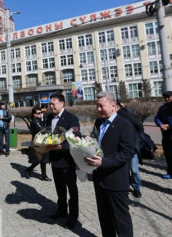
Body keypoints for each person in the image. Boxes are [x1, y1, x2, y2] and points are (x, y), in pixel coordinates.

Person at [85, 92, 135, 237]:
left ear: (113, 106)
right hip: (99, 179)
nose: (98, 109)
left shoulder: (125, 125)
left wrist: (104, 162)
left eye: (101, 106)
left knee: (121, 220)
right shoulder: (99, 122)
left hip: (116, 180)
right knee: (105, 218)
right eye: (97, 106)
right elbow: (95, 144)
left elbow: (127, 153)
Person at [46, 93, 80, 230]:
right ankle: (61, 210)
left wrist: (62, 146)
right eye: (50, 104)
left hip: (67, 160)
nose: (51, 106)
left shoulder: (71, 119)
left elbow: (76, 137)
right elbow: (46, 134)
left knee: (72, 189)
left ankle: (73, 217)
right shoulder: (49, 118)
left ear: (62, 104)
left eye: (54, 104)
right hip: (54, 160)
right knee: (59, 188)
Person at [116, 100, 143, 198]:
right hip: (118, 148)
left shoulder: (127, 115)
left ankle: (136, 188)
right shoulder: (111, 117)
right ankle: (125, 187)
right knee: (124, 169)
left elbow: (140, 127)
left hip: (131, 147)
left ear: (117, 107)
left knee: (134, 169)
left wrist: (134, 138)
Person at [25, 106, 51, 181]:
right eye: (38, 113)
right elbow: (42, 130)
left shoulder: (39, 119)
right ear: (34, 114)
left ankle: (43, 175)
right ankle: (29, 170)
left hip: (42, 142)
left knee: (43, 159)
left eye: (41, 112)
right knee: (39, 159)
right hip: (38, 143)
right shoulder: (34, 121)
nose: (40, 114)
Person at [154, 91, 172, 179]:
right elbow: (157, 118)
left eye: (168, 97)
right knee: (168, 155)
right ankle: (170, 172)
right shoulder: (163, 108)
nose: (166, 99)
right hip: (166, 135)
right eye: (165, 97)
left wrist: (170, 125)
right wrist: (161, 124)